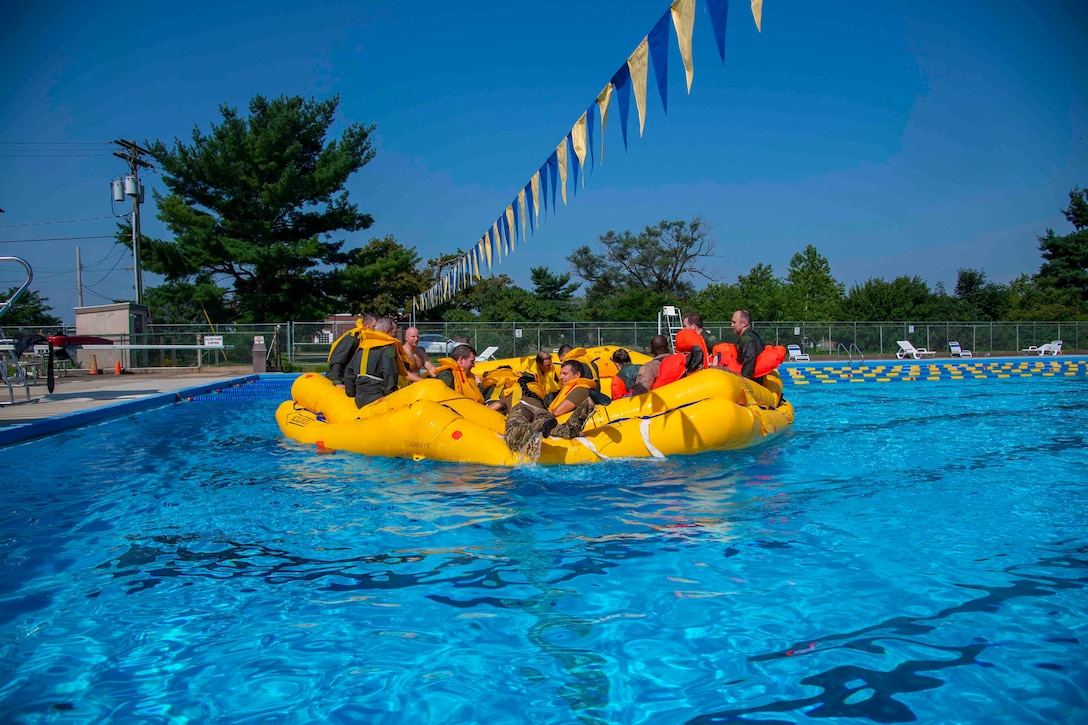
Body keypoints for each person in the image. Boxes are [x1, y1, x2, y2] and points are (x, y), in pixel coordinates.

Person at [504, 369, 595, 454]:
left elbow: (492, 408)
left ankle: (539, 424)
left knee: (512, 437)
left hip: (522, 408)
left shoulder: (512, 396)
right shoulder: (539, 400)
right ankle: (588, 404)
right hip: (542, 412)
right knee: (566, 431)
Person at [343, 316, 400, 408]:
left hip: (359, 398)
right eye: (394, 333)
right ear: (386, 333)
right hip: (377, 397)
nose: (396, 336)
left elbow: (349, 372)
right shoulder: (388, 349)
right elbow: (390, 372)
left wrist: (351, 393)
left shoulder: (362, 348)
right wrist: (390, 395)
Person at [731, 309, 766, 381]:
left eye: (734, 322)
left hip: (753, 380)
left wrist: (745, 378)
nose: (732, 325)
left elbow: (750, 355)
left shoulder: (746, 338)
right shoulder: (754, 335)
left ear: (744, 323)